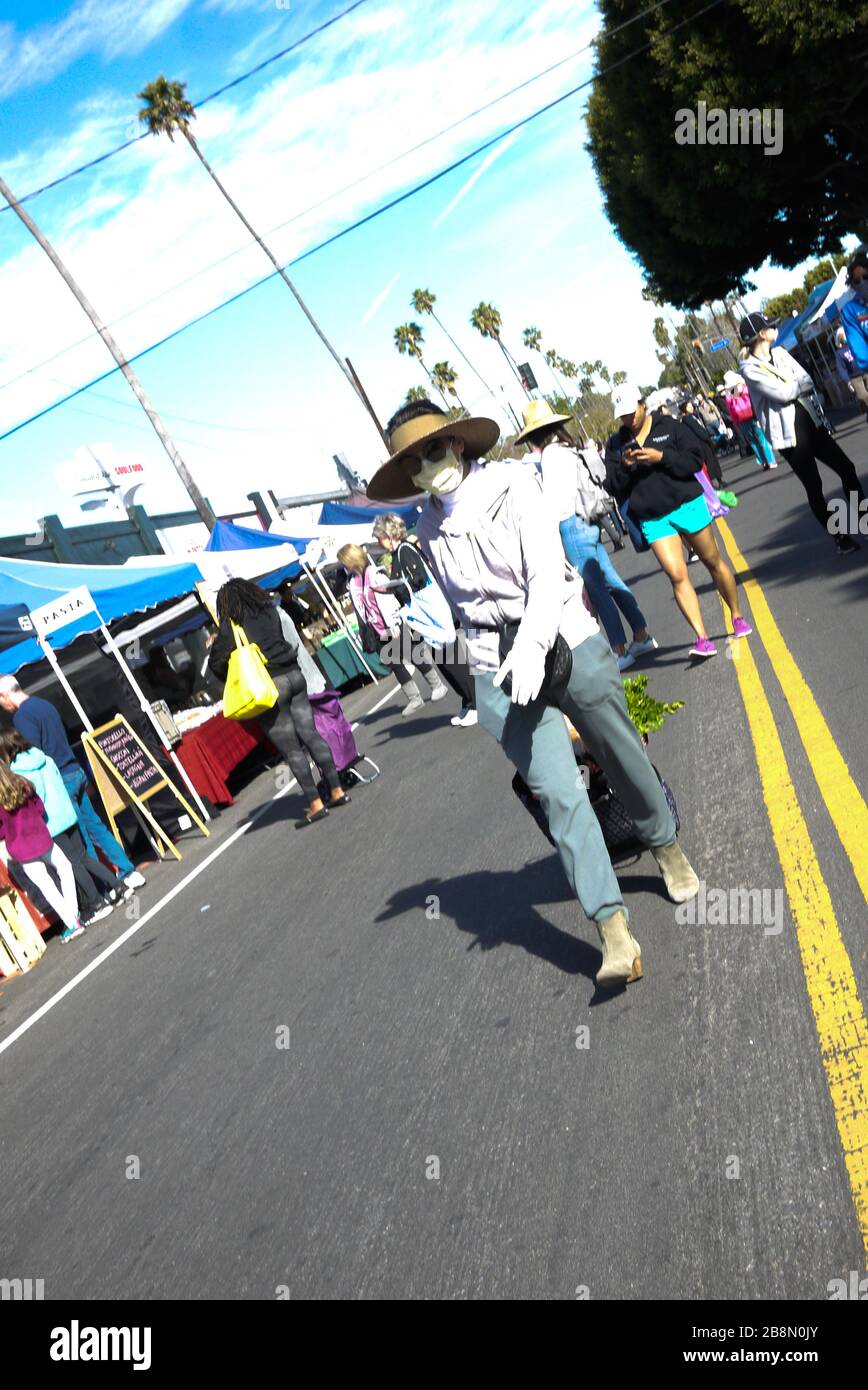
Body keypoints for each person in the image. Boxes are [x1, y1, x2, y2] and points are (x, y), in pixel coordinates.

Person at [365, 397, 701, 990]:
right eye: (414, 460)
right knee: (556, 792)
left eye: (433, 449)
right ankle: (612, 926)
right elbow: (461, 609)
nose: (427, 464)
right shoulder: (425, 527)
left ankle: (665, 844)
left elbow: (547, 572)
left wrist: (531, 646)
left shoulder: (516, 485)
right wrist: (481, 661)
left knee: (621, 755)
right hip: (500, 666)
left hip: (565, 636)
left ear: (459, 445)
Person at [606, 384, 751, 659]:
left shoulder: (669, 426)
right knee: (677, 575)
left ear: (642, 404)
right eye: (622, 415)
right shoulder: (616, 444)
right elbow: (612, 485)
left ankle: (736, 615)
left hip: (687, 504)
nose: (629, 419)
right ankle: (702, 638)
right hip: (653, 517)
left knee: (713, 561)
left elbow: (694, 461)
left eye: (631, 411)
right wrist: (625, 466)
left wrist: (661, 457)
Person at [515, 399, 656, 673]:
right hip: (588, 521)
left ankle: (618, 649)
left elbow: (554, 502)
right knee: (612, 581)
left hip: (570, 525)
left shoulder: (551, 456)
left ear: (534, 435)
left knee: (596, 590)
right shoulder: (568, 449)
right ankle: (641, 635)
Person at [207, 578, 350, 827]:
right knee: (311, 734)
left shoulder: (232, 625)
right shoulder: (270, 610)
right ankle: (337, 790)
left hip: (270, 686)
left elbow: (216, 663)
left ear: (227, 603)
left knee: (292, 749)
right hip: (294, 675)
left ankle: (315, 804)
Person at [0, 676, 145, 889]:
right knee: (96, 827)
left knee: (81, 838)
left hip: (59, 780)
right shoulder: (44, 704)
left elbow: (32, 754)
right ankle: (127, 871)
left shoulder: (23, 716)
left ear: (4, 696)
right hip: (74, 769)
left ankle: (107, 888)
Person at [739, 312, 865, 556]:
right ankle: (839, 536)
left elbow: (806, 379)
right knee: (814, 486)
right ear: (761, 335)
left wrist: (793, 385)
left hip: (811, 422)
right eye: (771, 327)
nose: (775, 328)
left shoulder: (781, 354)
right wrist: (795, 385)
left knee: (846, 467)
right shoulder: (750, 370)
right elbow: (782, 394)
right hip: (789, 435)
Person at [0, 731, 128, 924]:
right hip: (67, 813)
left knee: (72, 864)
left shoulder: (19, 771)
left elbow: (37, 798)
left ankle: (97, 903)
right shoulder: (41, 755)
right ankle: (117, 885)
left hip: (51, 822)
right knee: (82, 856)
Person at [371, 514, 477, 727]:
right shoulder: (400, 553)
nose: (379, 541)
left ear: (389, 534)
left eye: (380, 536)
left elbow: (417, 581)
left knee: (451, 659)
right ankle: (467, 701)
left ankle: (475, 703)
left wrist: (391, 588)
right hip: (428, 615)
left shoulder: (404, 551)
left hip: (431, 613)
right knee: (444, 661)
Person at [337, 542, 449, 716]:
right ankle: (414, 698)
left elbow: (388, 598)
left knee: (413, 654)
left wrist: (395, 623)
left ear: (351, 559)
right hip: (375, 629)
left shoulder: (375, 573)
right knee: (395, 664)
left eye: (344, 561)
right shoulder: (352, 582)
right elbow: (360, 608)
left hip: (392, 622)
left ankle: (437, 685)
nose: (343, 565)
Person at [0, 758, 83, 943]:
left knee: (47, 886)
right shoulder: (24, 784)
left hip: (20, 848)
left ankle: (72, 922)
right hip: (40, 836)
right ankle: (74, 914)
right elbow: (40, 809)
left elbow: (1, 831)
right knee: (65, 867)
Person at [723, 370, 778, 468]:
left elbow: (732, 411)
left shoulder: (732, 394)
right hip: (749, 418)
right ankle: (768, 461)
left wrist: (736, 422)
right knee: (759, 440)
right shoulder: (742, 390)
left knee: (756, 441)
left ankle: (766, 461)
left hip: (747, 419)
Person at [841, 243, 868, 383]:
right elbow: (861, 354)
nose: (862, 283)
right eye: (857, 280)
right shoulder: (850, 310)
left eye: (866, 277)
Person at [834, 326, 868, 422]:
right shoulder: (840, 353)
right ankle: (864, 407)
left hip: (865, 371)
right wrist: (848, 381)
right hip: (854, 377)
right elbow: (842, 369)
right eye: (842, 336)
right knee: (863, 396)